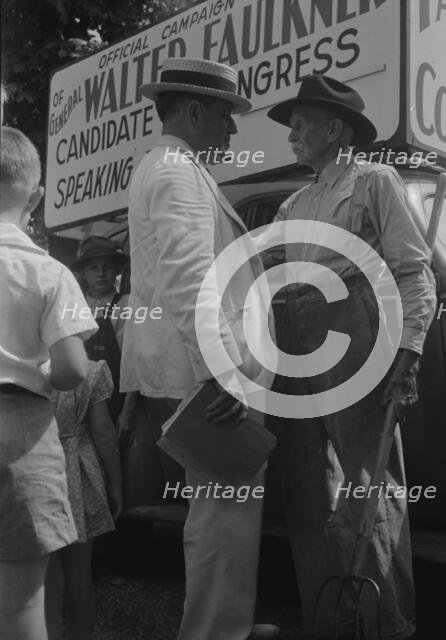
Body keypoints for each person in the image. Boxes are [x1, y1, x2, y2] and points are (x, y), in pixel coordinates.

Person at [260, 75, 437, 639]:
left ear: (333, 128)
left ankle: (388, 624)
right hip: (294, 338)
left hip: (353, 335)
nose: (292, 133)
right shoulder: (292, 204)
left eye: (301, 122)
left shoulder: (375, 182)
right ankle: (328, 620)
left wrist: (408, 350)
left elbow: (414, 272)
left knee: (369, 485)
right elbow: (267, 276)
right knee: (307, 486)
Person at [120, 58, 278, 640]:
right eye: (225, 115)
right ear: (193, 111)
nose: (233, 129)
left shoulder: (169, 167)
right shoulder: (176, 173)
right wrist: (226, 372)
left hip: (201, 368)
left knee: (222, 510)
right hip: (209, 372)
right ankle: (215, 632)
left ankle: (224, 621)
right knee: (224, 515)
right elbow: (190, 280)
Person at [0, 126, 98, 640]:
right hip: (22, 431)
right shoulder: (49, 272)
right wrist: (40, 372)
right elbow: (74, 369)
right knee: (22, 601)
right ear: (35, 198)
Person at [46, 359, 122, 640]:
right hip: (76, 474)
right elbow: (102, 430)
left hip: (35, 466)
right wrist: (116, 483)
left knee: (43, 574)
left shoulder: (20, 367)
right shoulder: (91, 370)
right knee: (79, 575)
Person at [71, 236, 137, 447]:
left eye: (107, 267)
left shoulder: (126, 305)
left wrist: (127, 412)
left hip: (115, 403)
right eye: (93, 268)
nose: (100, 273)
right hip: (80, 404)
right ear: (83, 273)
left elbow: (134, 361)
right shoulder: (74, 305)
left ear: (117, 271)